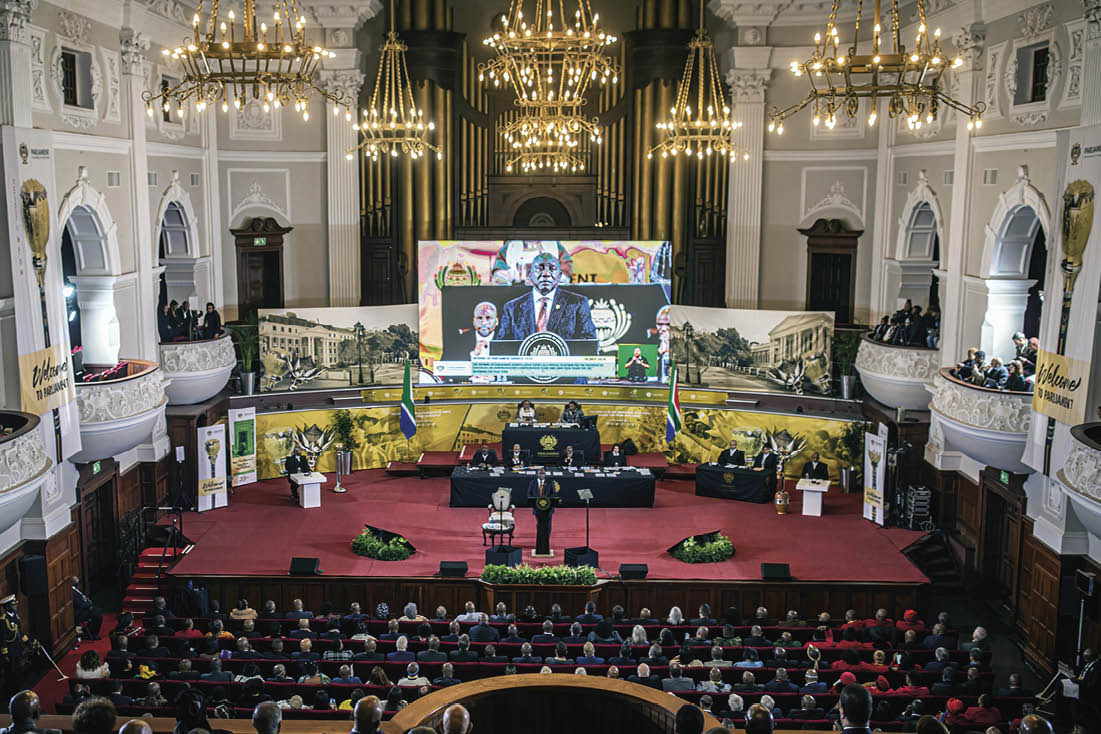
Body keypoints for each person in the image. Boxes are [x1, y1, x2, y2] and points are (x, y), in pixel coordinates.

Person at [497, 252, 597, 343]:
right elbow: (502, 347)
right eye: (539, 269)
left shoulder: (577, 303)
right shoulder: (512, 308)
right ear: (530, 275)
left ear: (559, 276)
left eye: (552, 269)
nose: (546, 274)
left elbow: (589, 342)